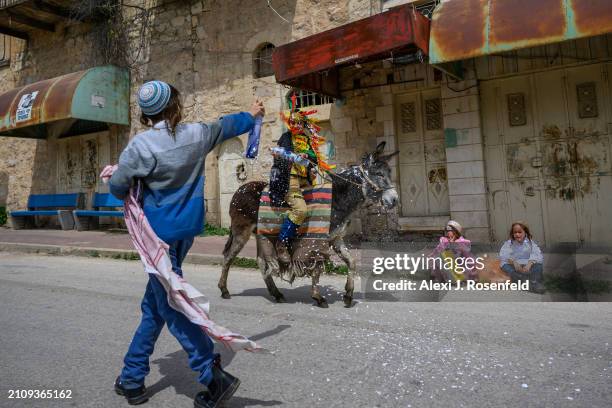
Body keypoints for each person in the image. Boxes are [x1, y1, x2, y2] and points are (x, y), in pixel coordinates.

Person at [109, 80, 265, 407]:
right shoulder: (197, 134)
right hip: (185, 233)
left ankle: (211, 374)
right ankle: (132, 378)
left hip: (157, 240)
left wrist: (119, 177)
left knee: (170, 304)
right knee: (154, 305)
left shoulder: (140, 146)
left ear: (146, 113)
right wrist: (252, 115)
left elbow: (119, 187)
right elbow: (226, 125)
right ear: (175, 105)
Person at [269, 110, 334, 264]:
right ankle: (281, 244)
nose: (295, 125)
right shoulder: (286, 137)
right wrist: (294, 156)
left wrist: (307, 156)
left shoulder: (306, 138)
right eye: (292, 122)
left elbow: (314, 158)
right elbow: (283, 155)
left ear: (303, 123)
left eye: (298, 122)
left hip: (306, 179)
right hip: (289, 179)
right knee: (301, 210)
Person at [499, 221, 545, 294]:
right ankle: (521, 280)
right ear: (512, 234)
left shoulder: (530, 243)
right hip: (515, 266)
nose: (517, 234)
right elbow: (504, 255)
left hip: (527, 266)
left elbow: (537, 254)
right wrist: (514, 262)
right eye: (515, 232)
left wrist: (529, 264)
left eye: (520, 232)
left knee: (538, 266)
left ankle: (535, 283)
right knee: (505, 266)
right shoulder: (509, 243)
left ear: (525, 233)